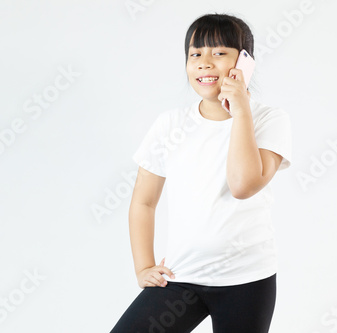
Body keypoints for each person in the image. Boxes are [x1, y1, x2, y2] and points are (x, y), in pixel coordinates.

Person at [111, 12, 292, 333]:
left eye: (220, 53)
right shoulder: (170, 125)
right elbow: (143, 202)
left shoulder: (269, 120)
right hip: (182, 278)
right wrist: (143, 267)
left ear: (245, 63)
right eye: (195, 54)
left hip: (247, 280)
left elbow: (243, 184)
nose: (205, 63)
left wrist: (241, 112)